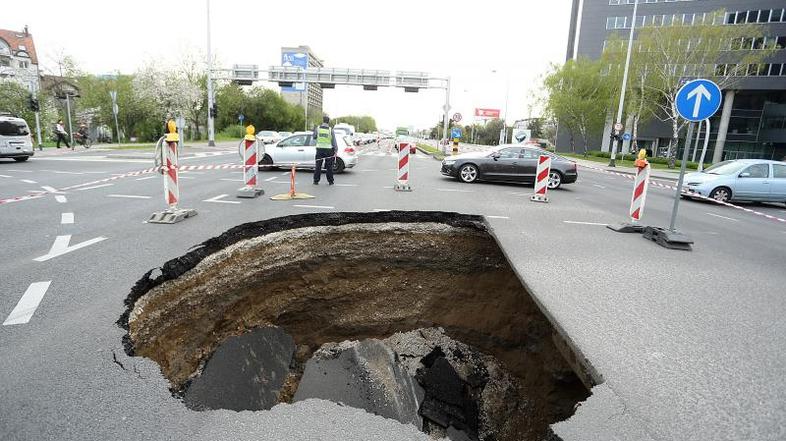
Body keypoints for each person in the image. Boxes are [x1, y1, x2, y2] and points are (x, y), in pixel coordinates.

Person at [313, 115, 338, 185]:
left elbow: (314, 137)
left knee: (318, 166)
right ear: (328, 121)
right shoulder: (331, 130)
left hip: (319, 149)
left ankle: (316, 181)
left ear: (323, 121)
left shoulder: (318, 128)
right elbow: (334, 141)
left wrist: (314, 130)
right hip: (328, 150)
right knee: (329, 166)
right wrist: (336, 150)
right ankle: (330, 181)